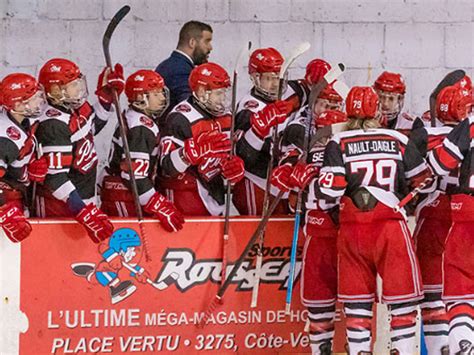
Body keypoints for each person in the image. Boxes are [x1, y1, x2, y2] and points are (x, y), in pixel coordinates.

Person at [318, 86, 434, 354]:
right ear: (377, 110)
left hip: (353, 231)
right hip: (390, 228)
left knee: (358, 305)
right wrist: (406, 196)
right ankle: (402, 349)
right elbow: (424, 180)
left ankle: (360, 350)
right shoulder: (396, 139)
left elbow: (329, 192)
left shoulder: (338, 143)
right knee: (403, 302)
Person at [271, 107, 347, 354]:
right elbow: (292, 200)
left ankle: (355, 346)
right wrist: (293, 182)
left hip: (347, 237)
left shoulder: (348, 153)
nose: (326, 141)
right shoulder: (307, 155)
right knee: (321, 303)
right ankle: (323, 349)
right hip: (322, 236)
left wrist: (308, 185)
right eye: (323, 135)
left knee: (356, 304)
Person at [407, 85, 471, 354]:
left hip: (439, 212)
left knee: (435, 295)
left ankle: (441, 348)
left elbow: (415, 171)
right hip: (458, 211)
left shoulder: (424, 134)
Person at [34, 58, 124, 243]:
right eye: (73, 85)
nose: (79, 88)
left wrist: (106, 99)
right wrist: (81, 209)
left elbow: (91, 129)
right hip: (60, 207)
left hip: (83, 203)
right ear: (55, 90)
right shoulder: (53, 123)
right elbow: (55, 176)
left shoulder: (74, 109)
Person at [101, 70, 184, 232]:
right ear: (140, 98)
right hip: (123, 196)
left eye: (161, 92)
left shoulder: (134, 117)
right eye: (156, 94)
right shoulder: (140, 127)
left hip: (123, 194)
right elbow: (134, 176)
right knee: (129, 243)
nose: (162, 98)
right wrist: (157, 204)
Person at [158, 62, 244, 216]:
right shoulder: (180, 117)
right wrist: (188, 154)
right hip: (184, 197)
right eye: (218, 93)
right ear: (202, 92)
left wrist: (234, 167)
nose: (222, 98)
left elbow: (229, 156)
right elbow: (166, 167)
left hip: (215, 195)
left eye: (224, 92)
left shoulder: (227, 117)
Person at [233, 47, 308, 215]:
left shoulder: (287, 89)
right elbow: (244, 157)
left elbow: (307, 90)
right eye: (269, 78)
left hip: (282, 183)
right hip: (257, 183)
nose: (276, 84)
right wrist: (259, 130)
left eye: (278, 77)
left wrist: (316, 79)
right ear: (255, 78)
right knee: (258, 237)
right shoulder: (249, 109)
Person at [428, 92, 474, 355]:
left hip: (467, 215)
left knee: (461, 289)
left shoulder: (468, 125)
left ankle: (463, 341)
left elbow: (439, 163)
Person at [0, 73, 48, 243]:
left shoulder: (20, 121)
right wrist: (3, 209)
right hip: (7, 201)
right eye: (34, 98)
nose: (39, 101)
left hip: (17, 196)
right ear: (18, 104)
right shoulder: (6, 138)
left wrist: (27, 169)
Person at [155, 20, 213, 122]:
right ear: (192, 42)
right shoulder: (180, 70)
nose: (210, 47)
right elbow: (191, 108)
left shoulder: (169, 64)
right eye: (207, 41)